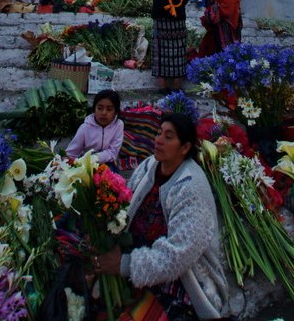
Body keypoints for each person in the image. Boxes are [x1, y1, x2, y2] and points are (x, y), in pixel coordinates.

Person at [92, 113, 228, 320]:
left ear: (184, 148)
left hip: (182, 281)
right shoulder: (149, 167)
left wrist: (124, 264)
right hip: (141, 260)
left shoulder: (191, 188)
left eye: (169, 136)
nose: (158, 140)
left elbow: (177, 256)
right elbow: (125, 209)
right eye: (158, 133)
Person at [151, 0, 192, 91]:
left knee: (161, 51)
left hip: (160, 18)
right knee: (178, 52)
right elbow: (185, 0)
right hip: (178, 19)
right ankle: (177, 86)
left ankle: (162, 86)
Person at [65, 90, 124, 165]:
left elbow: (113, 152)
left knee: (113, 176)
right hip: (86, 163)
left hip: (108, 161)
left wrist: (95, 158)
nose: (103, 113)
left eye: (109, 109)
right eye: (99, 108)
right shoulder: (85, 128)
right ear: (94, 109)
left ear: (116, 112)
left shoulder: (118, 125)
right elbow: (72, 153)